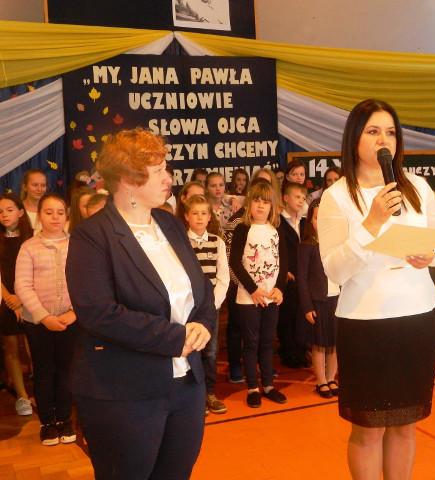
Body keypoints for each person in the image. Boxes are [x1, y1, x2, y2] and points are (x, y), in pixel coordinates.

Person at [65, 128, 214, 479]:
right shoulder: (92, 235)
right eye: (159, 170)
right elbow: (99, 313)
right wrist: (176, 337)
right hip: (124, 391)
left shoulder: (169, 224)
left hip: (187, 386)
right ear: (129, 180)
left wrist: (204, 325)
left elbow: (201, 289)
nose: (168, 177)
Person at [317, 98, 435, 478]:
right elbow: (335, 269)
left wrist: (432, 253)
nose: (384, 140)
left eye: (391, 132)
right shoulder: (336, 196)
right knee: (369, 428)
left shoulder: (417, 186)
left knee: (406, 424)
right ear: (354, 138)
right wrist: (372, 223)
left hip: (415, 317)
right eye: (374, 131)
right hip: (365, 322)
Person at [15, 194, 76, 445]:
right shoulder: (29, 247)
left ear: (67, 215)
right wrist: (44, 317)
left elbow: (87, 281)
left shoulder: (77, 245)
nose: (55, 217)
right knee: (44, 371)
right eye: (48, 212)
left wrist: (74, 313)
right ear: (39, 216)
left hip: (70, 320)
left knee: (66, 370)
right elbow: (22, 285)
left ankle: (64, 419)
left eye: (60, 212)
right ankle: (48, 423)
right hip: (38, 322)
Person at [229, 181, 288, 408]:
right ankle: (253, 387)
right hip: (248, 296)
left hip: (271, 296)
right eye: (256, 201)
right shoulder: (243, 229)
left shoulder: (276, 229)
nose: (261, 206)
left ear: (272, 205)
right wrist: (253, 289)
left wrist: (280, 288)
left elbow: (283, 262)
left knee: (267, 341)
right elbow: (235, 262)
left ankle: (269, 385)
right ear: (249, 204)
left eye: (266, 202)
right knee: (251, 342)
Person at [184, 194, 230, 415]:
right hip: (189, 307)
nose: (200, 217)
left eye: (204, 213)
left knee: (210, 352)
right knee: (190, 349)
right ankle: (195, 396)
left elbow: (223, 277)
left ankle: (209, 393)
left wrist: (212, 304)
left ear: (210, 216)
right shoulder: (182, 242)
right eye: (195, 213)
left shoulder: (217, 242)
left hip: (210, 307)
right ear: (187, 216)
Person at [298, 199, 339, 398]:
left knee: (334, 344)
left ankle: (331, 378)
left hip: (336, 298)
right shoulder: (307, 246)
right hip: (318, 300)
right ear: (311, 221)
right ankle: (321, 380)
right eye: (317, 218)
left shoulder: (336, 244)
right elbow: (302, 279)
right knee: (320, 344)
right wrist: (307, 306)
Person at [0, 193, 33, 416]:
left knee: (34, 348)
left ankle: (39, 390)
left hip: (29, 298)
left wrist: (21, 297)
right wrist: (9, 298)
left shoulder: (32, 238)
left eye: (9, 210)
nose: (4, 215)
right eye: (0, 211)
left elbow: (34, 271)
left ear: (21, 212)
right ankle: (22, 396)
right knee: (10, 347)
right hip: (6, 300)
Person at [278, 181, 308, 369]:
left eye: (303, 198)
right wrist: (283, 270)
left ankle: (301, 351)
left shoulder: (304, 222)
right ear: (286, 198)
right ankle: (288, 352)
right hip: (286, 277)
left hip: (303, 276)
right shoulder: (278, 222)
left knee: (301, 314)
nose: (301, 200)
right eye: (297, 197)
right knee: (287, 316)